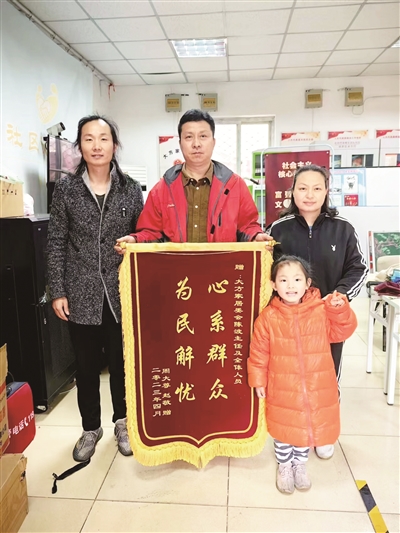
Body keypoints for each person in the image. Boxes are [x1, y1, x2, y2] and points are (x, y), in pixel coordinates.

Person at [47, 114, 144, 462]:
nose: (97, 146)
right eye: (89, 139)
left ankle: (123, 423)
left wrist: (134, 240)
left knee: (122, 364)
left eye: (104, 139)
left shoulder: (130, 189)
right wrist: (57, 290)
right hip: (80, 291)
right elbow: (56, 241)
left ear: (114, 145)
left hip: (120, 292)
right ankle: (91, 428)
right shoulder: (66, 190)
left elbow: (144, 236)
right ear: (80, 146)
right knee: (86, 368)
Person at [268, 164, 368, 460]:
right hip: (287, 320)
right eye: (302, 188)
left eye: (316, 188)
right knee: (290, 379)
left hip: (327, 320)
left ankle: (323, 434)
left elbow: (358, 268)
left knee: (326, 379)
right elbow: (264, 272)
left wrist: (341, 294)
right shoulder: (278, 229)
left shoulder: (343, 229)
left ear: (326, 192)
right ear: (292, 192)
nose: (309, 194)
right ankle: (293, 432)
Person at [248, 255, 357, 494]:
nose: (290, 285)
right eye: (283, 280)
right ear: (273, 285)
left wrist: (339, 310)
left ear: (307, 283)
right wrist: (258, 380)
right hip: (282, 387)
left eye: (297, 279)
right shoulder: (268, 318)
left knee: (306, 426)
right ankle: (284, 466)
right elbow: (258, 352)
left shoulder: (320, 311)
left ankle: (300, 465)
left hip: (316, 385)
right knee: (284, 429)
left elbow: (342, 331)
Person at [115, 109, 272, 248]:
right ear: (180, 143)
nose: (196, 144)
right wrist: (135, 240)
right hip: (177, 270)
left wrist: (256, 236)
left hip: (222, 269)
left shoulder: (235, 185)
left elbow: (247, 227)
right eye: (189, 137)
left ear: (213, 142)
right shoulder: (162, 189)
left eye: (203, 136)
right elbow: (151, 232)